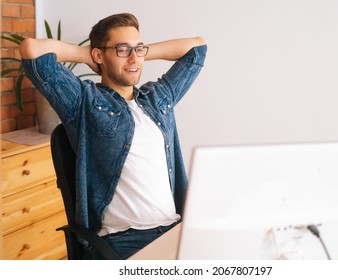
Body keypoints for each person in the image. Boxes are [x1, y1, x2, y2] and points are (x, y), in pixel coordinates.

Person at [19, 12, 207, 259]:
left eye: (138, 49)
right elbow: (31, 49)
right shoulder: (84, 101)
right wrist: (89, 55)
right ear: (99, 55)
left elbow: (197, 49)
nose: (134, 58)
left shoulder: (158, 98)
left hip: (175, 229)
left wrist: (134, 54)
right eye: (122, 49)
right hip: (124, 240)